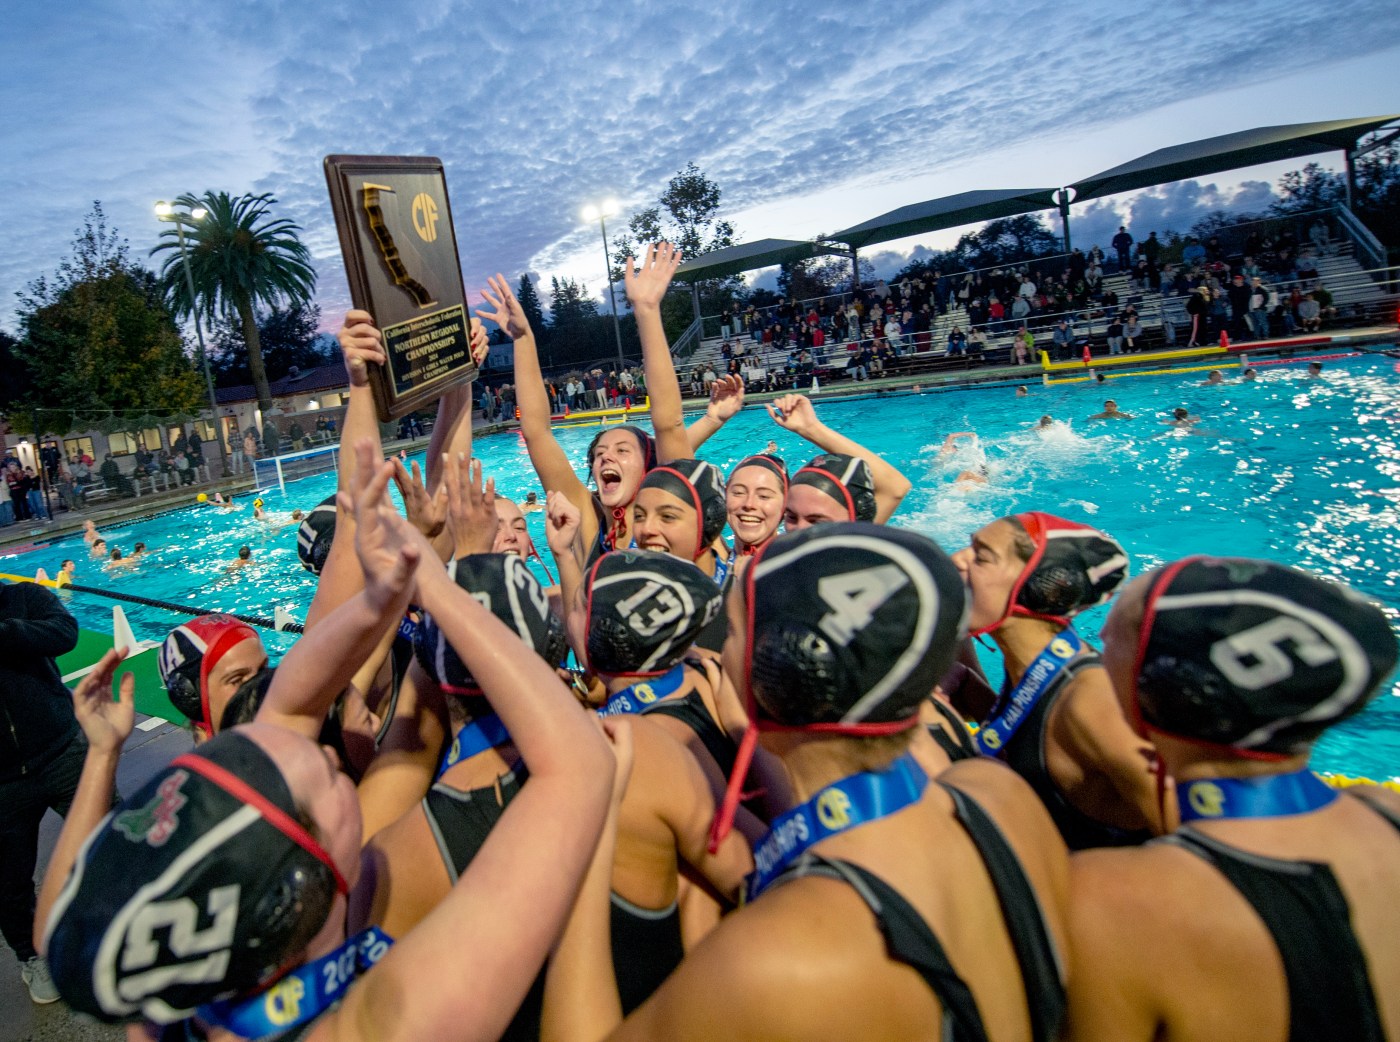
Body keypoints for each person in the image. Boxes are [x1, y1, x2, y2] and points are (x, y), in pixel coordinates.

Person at [546, 523, 1073, 1042]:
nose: (712, 655)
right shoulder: (996, 794)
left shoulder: (774, 959)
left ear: (781, 673)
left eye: (730, 636)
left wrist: (582, 851)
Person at [1064, 556, 1400, 1041]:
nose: (1097, 647)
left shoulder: (1109, 899)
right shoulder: (1385, 815)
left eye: (1112, 637)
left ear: (1165, 686)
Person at [951, 513, 1161, 849]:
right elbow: (1030, 734)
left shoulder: (1091, 700)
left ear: (1040, 590)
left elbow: (1192, 832)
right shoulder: (1027, 668)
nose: (955, 559)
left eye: (981, 556)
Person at [0, 578, 83, 1003]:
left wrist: (6, 632)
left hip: (61, 751)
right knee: (9, 882)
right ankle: (31, 956)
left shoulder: (21, 596)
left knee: (114, 840)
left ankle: (131, 916)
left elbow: (66, 632)